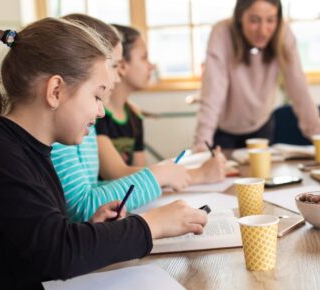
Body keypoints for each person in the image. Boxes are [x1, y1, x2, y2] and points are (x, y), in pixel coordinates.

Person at [0, 19, 207, 289]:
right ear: (56, 91)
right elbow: (58, 252)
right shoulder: (1, 153)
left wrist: (92, 227)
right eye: (96, 96)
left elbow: (34, 241)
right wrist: (152, 224)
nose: (101, 111)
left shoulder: (28, 149)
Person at [50, 15, 224, 222]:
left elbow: (90, 192)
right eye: (115, 65)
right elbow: (83, 206)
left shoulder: (85, 122)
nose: (116, 75)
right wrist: (159, 177)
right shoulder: (64, 131)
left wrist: (160, 177)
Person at [95, 24, 227, 181]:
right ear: (122, 65)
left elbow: (139, 172)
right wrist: (200, 173)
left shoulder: (134, 116)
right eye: (144, 57)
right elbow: (116, 173)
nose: (152, 66)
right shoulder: (96, 115)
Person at [193, 0, 320, 150]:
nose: (263, 30)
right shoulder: (222, 33)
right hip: (223, 130)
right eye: (254, 20)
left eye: (270, 20)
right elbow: (213, 90)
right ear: (239, 17)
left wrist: (319, 137)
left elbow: (298, 87)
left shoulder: (283, 34)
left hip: (261, 127)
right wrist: (201, 143)